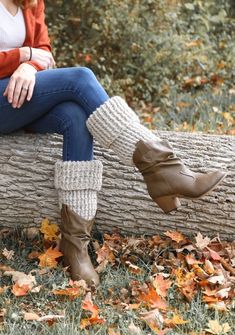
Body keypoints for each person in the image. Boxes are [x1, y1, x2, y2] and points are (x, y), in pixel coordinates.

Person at [0, 0, 227, 286]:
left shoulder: (31, 3)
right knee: (80, 77)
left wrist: (29, 65)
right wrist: (21, 56)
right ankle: (162, 169)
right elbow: (34, 52)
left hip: (21, 98)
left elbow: (44, 53)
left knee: (76, 116)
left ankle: (75, 247)